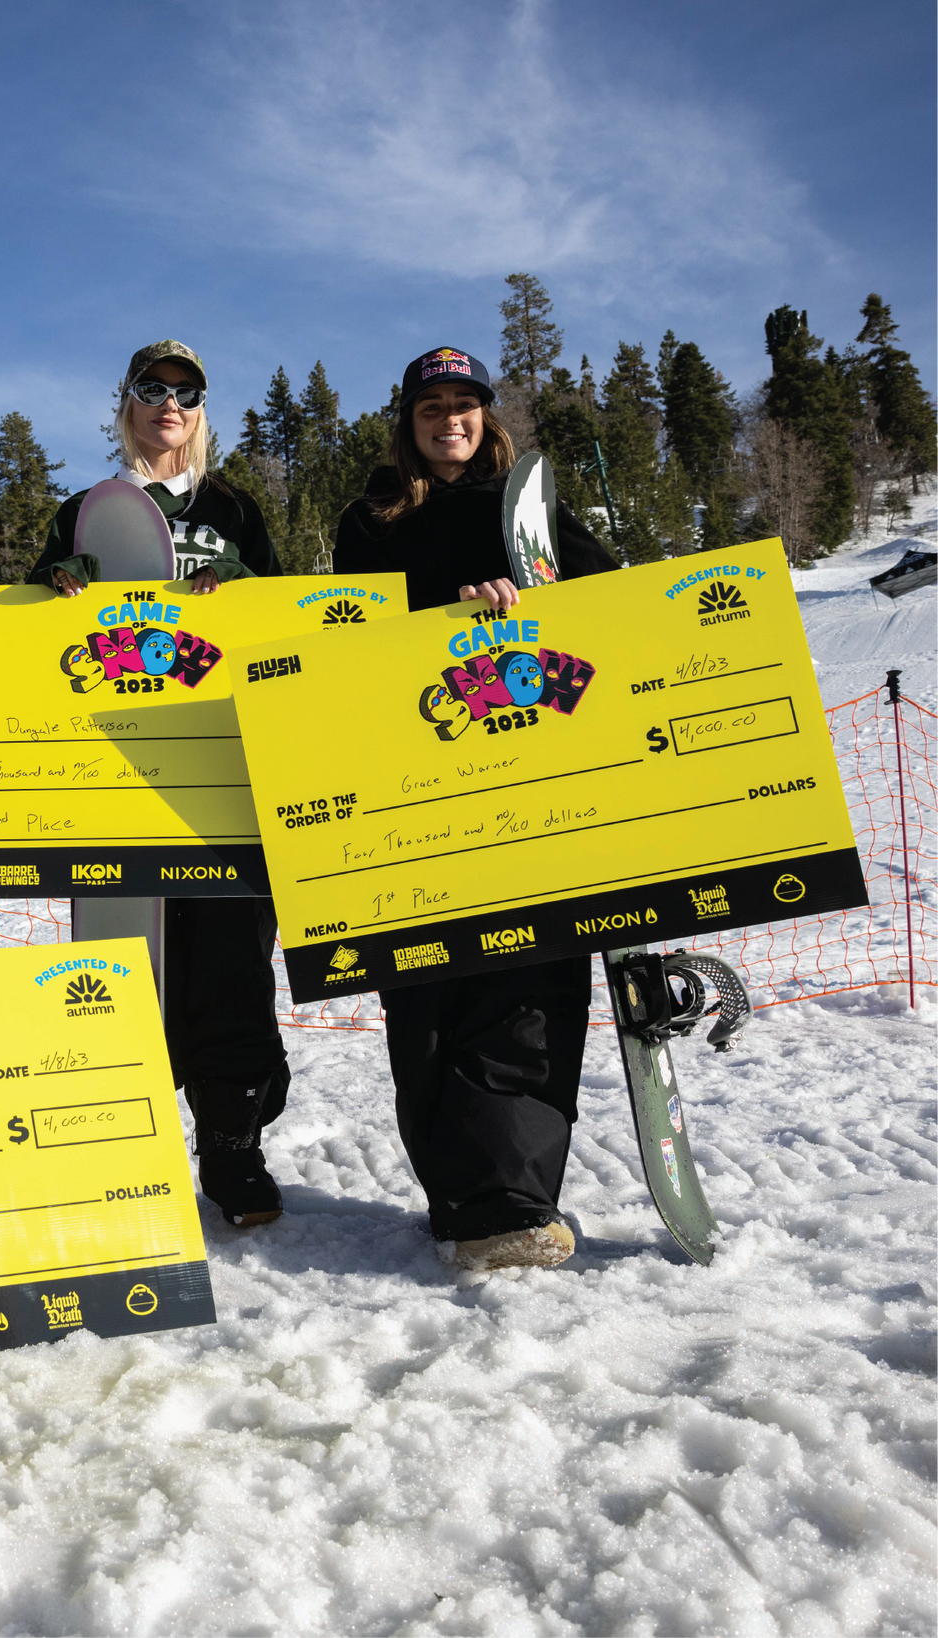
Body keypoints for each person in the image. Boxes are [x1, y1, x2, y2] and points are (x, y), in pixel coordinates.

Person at [332, 344, 617, 1271]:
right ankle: (459, 1195)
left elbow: (617, 603)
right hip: (417, 782)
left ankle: (513, 1203)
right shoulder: (370, 521)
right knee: (428, 990)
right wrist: (442, 622)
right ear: (407, 424)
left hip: (531, 783)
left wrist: (538, 603)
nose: (448, 419)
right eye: (430, 408)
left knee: (531, 983)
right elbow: (347, 636)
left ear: (486, 417)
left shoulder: (525, 509)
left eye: (464, 404)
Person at [28, 340, 292, 1229]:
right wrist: (47, 588)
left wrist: (253, 591)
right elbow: (27, 647)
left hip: (218, 767)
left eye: (185, 392)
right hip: (113, 770)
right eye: (151, 389)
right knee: (120, 966)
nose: (167, 403)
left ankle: (233, 1149)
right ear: (127, 403)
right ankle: (117, 1148)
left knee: (229, 966)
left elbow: (287, 628)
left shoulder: (234, 509)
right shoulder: (87, 509)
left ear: (200, 408)